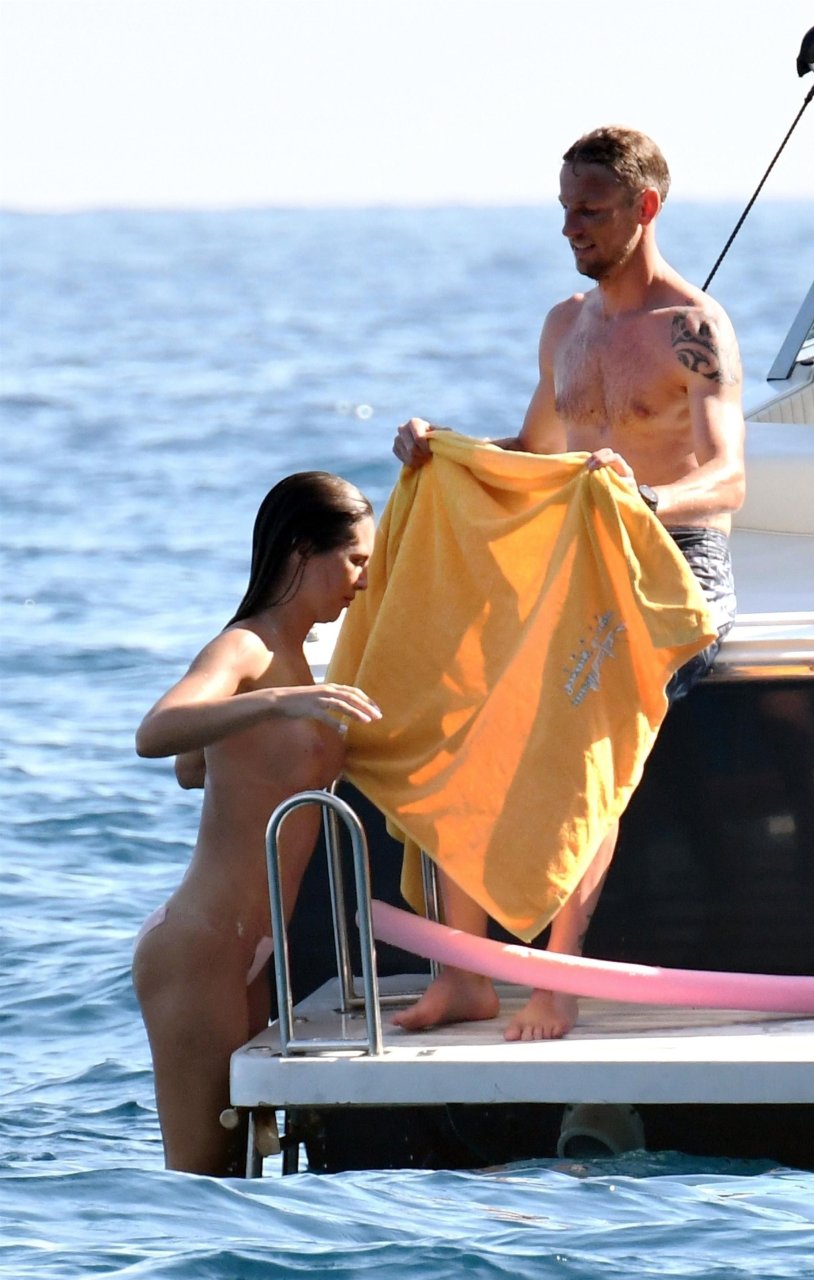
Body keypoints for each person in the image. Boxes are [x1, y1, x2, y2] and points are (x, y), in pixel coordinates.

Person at [391, 125, 745, 1043]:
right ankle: (465, 977)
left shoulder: (691, 330)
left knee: (577, 736)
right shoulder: (565, 325)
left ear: (644, 208)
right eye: (564, 209)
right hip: (575, 566)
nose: (569, 227)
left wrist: (645, 498)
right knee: (455, 709)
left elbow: (728, 478)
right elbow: (533, 451)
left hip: (672, 569)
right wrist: (442, 450)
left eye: (589, 210)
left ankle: (555, 982)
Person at [132, 471, 382, 1175]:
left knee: (245, 1175)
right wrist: (277, 704)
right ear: (302, 550)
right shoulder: (247, 648)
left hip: (258, 950)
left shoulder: (302, 659)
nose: (363, 580)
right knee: (204, 1180)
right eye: (354, 560)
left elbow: (192, 768)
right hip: (200, 947)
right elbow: (156, 734)